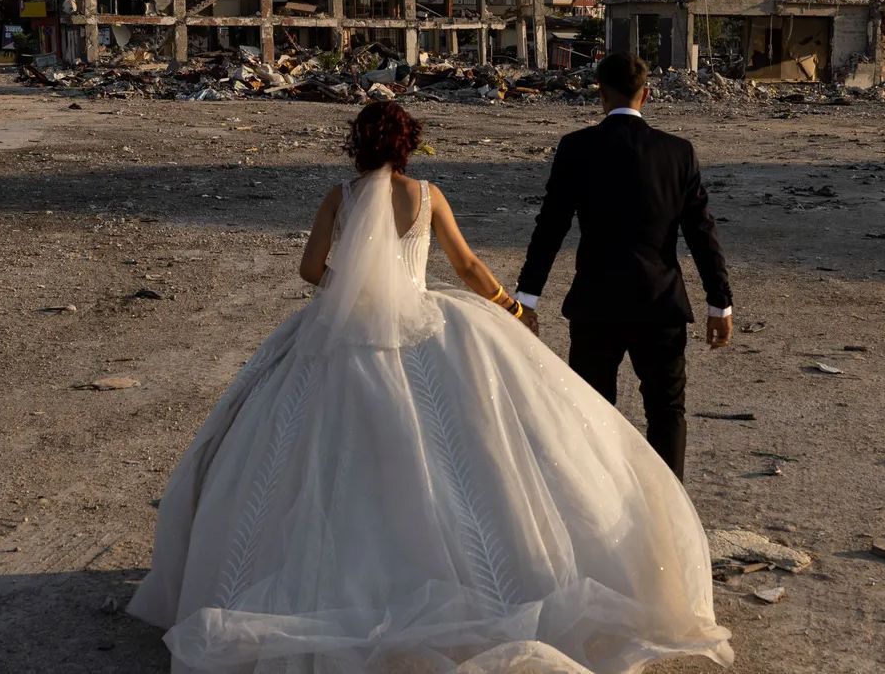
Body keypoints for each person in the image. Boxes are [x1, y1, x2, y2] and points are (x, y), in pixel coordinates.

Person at [130, 101, 731, 674]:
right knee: (460, 450)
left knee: (307, 454)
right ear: (408, 145)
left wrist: (355, 283)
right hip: (420, 325)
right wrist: (508, 305)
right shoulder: (426, 196)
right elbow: (466, 265)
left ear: (358, 145)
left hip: (342, 334)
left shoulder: (338, 198)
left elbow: (310, 269)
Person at [515, 52, 734, 481]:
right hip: (660, 304)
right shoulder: (678, 153)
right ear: (646, 95)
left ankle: (597, 505)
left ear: (600, 94)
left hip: (596, 304)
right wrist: (719, 302)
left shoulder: (577, 148)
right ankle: (670, 519)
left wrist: (527, 297)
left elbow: (551, 226)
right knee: (667, 412)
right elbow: (701, 232)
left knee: (592, 410)